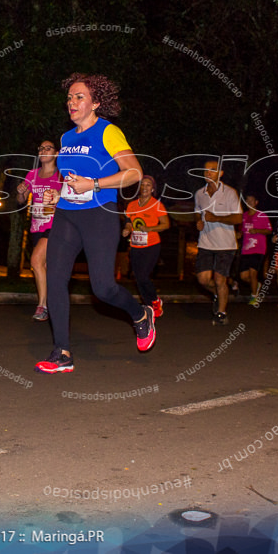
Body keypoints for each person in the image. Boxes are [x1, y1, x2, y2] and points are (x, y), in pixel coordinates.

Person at [34, 73, 155, 374]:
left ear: (96, 102)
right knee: (55, 280)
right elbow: (70, 179)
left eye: (79, 97)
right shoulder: (66, 138)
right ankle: (61, 352)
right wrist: (57, 189)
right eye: (69, 98)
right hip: (66, 214)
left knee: (103, 288)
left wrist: (95, 184)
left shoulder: (108, 132)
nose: (71, 103)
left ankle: (141, 315)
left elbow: (134, 173)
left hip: (99, 213)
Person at [194, 159, 242, 326]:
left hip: (226, 244)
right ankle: (218, 294)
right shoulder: (199, 193)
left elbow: (238, 218)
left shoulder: (230, 193)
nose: (208, 173)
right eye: (205, 170)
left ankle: (221, 312)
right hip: (206, 242)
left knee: (220, 279)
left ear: (220, 174)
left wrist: (216, 218)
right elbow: (197, 212)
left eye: (212, 170)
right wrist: (198, 222)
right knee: (203, 279)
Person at [16, 139, 60, 321]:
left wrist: (58, 201)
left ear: (56, 153)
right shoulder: (32, 175)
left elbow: (71, 199)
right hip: (37, 226)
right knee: (45, 266)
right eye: (41, 148)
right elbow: (21, 200)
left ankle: (42, 306)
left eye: (47, 148)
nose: (43, 151)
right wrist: (20, 191)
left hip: (55, 226)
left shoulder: (62, 175)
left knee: (35, 260)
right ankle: (53, 302)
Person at [123, 175, 169, 317]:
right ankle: (149, 305)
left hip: (151, 245)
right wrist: (127, 229)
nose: (145, 187)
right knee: (137, 277)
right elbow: (129, 222)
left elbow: (166, 225)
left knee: (143, 276)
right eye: (142, 184)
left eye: (148, 185)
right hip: (136, 245)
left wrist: (149, 229)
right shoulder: (132, 205)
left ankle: (155, 300)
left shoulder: (157, 205)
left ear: (153, 189)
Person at [239, 193, 272, 305]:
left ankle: (254, 296)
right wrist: (238, 235)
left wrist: (257, 230)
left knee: (253, 273)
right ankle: (256, 285)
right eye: (247, 200)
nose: (249, 203)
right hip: (245, 249)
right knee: (243, 276)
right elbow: (242, 231)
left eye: (252, 200)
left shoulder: (261, 215)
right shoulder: (244, 216)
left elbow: (269, 230)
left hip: (258, 249)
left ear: (256, 202)